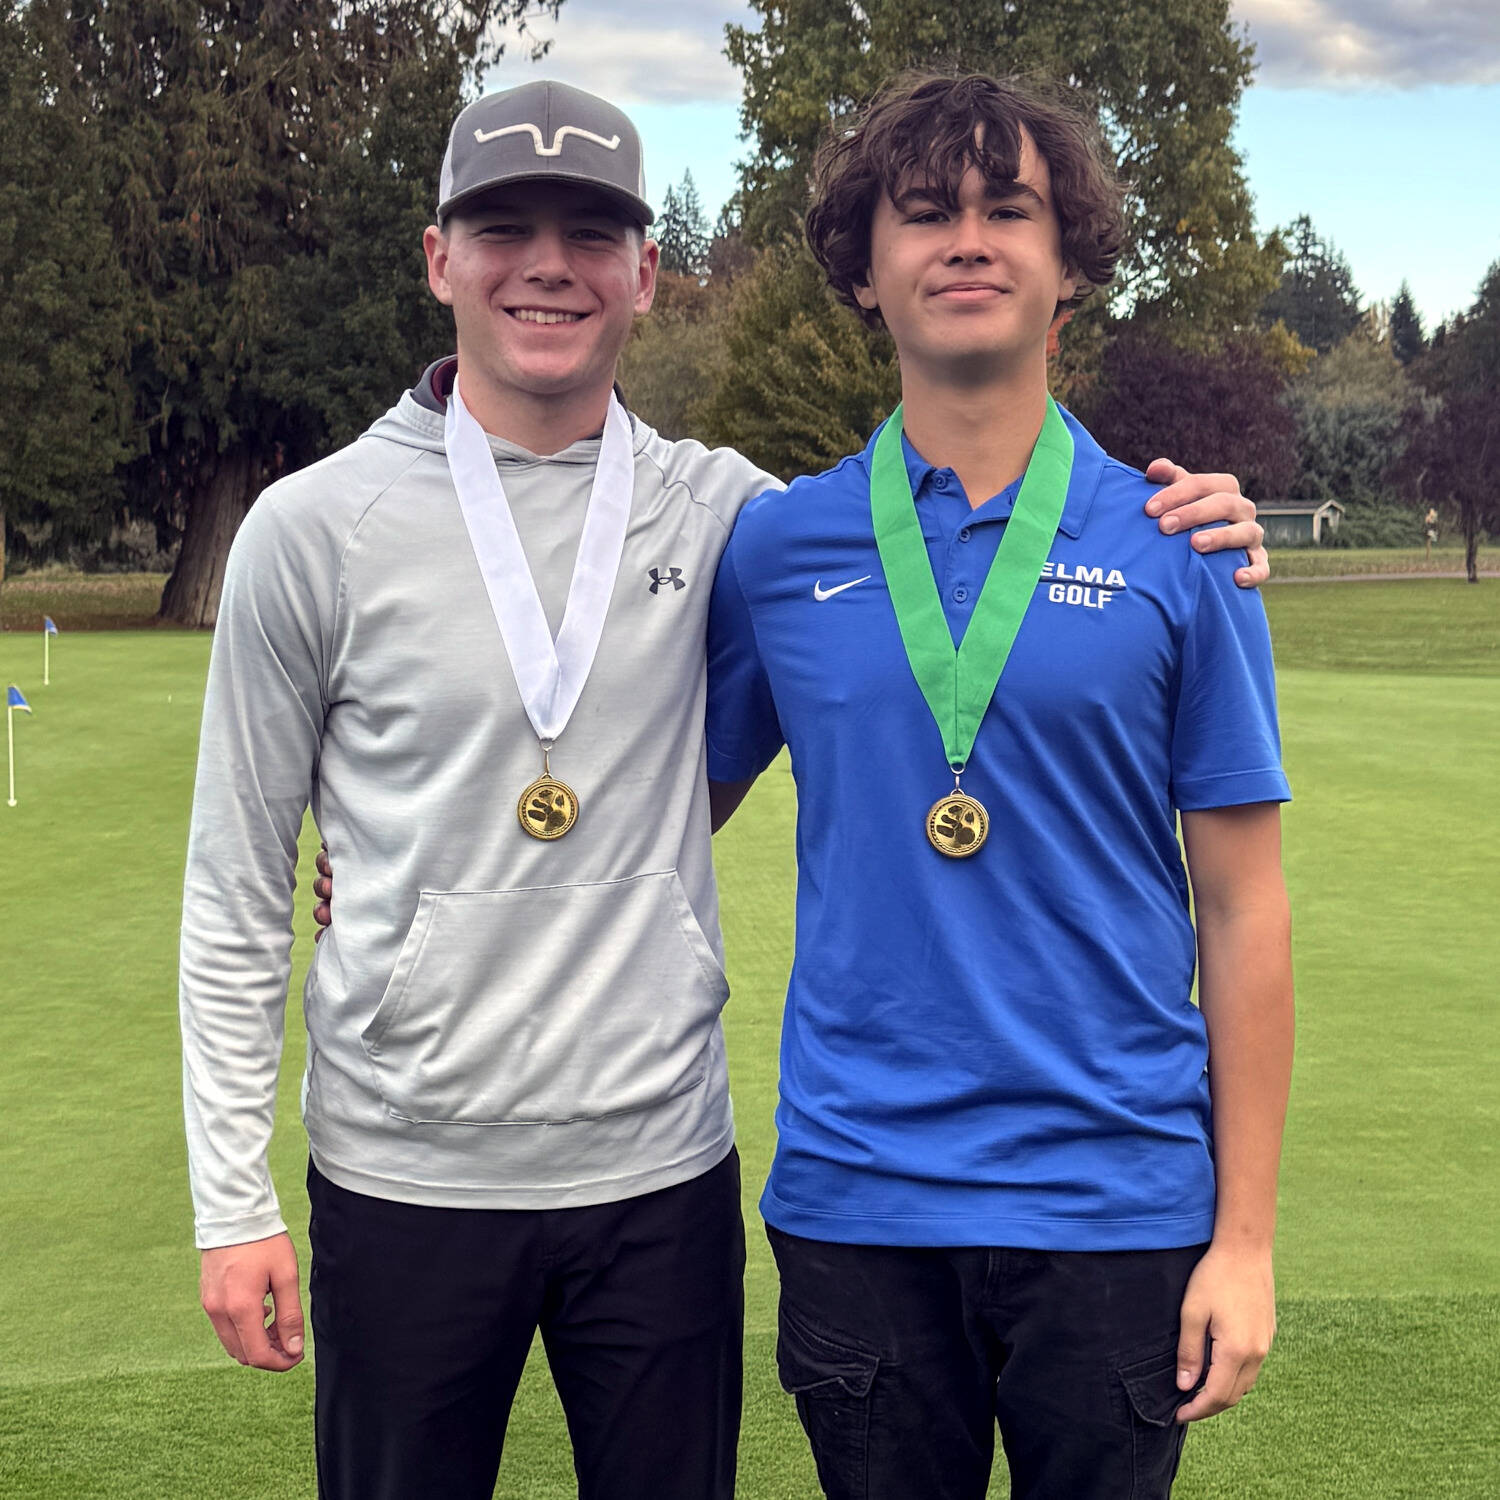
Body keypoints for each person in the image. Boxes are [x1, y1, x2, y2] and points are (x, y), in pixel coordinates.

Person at [182, 79, 1269, 1500]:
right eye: (503, 226)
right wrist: (402, 889)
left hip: (696, 1176)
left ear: (648, 270)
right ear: (439, 257)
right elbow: (258, 879)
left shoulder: (747, 519)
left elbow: (1237, 898)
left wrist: (1204, 515)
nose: (547, 264)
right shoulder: (338, 527)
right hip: (449, 1175)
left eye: (592, 231)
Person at [704, 72, 1294, 1500]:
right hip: (859, 1199)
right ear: (864, 271)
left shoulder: (1182, 546)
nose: (966, 240)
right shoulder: (779, 550)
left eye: (1007, 209)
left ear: (1071, 264)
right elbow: (652, 805)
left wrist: (1247, 1239)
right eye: (924, 214)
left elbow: (1243, 903)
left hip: (1117, 1203)